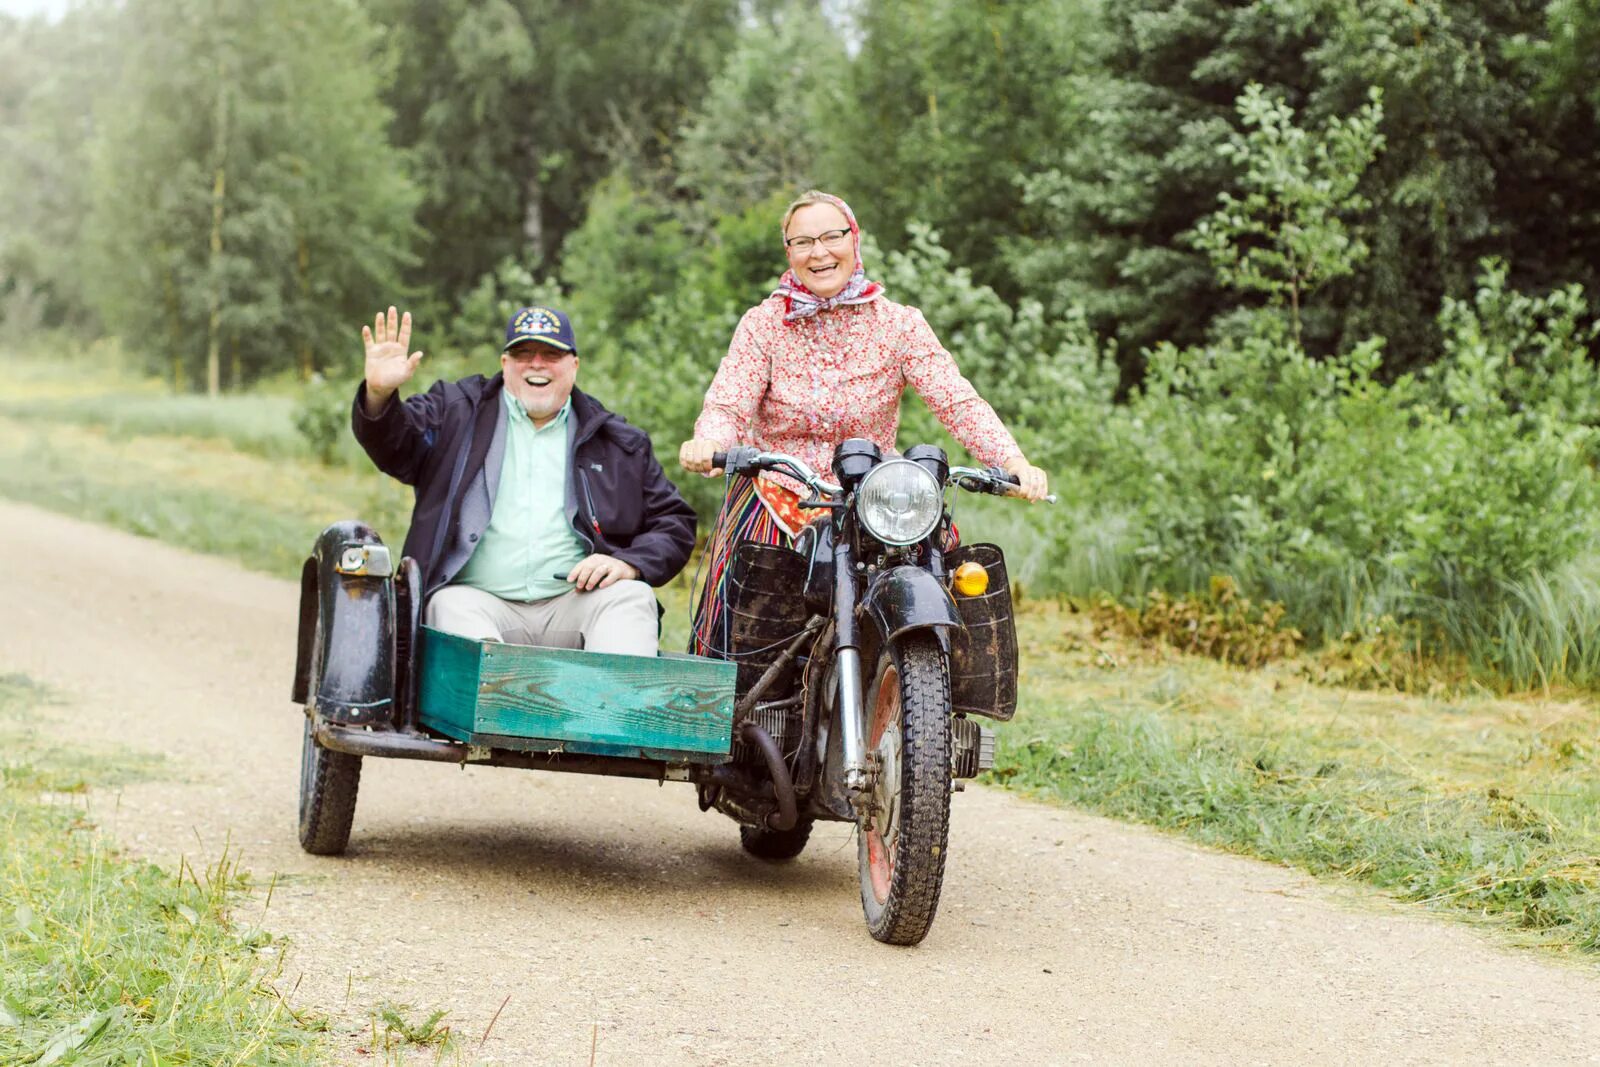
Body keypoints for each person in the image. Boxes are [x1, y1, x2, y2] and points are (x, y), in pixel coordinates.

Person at [679, 190, 1049, 655]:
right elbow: (729, 402)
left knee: (947, 570)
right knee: (747, 600)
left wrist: (1012, 461)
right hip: (782, 489)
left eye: (831, 236)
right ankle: (730, 705)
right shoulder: (763, 324)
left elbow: (956, 399)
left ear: (854, 241)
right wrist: (709, 441)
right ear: (788, 253)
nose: (819, 252)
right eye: (803, 242)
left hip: (875, 493)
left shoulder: (900, 324)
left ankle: (939, 704)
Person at [353, 304, 696, 656]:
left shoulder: (617, 440)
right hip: (478, 603)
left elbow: (674, 522)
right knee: (448, 606)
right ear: (504, 364)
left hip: (575, 603)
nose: (536, 364)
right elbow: (397, 446)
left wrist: (629, 563)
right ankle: (499, 709)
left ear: (574, 366)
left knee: (632, 597)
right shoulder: (455, 410)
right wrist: (379, 395)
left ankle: (610, 711)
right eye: (522, 353)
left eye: (551, 354)